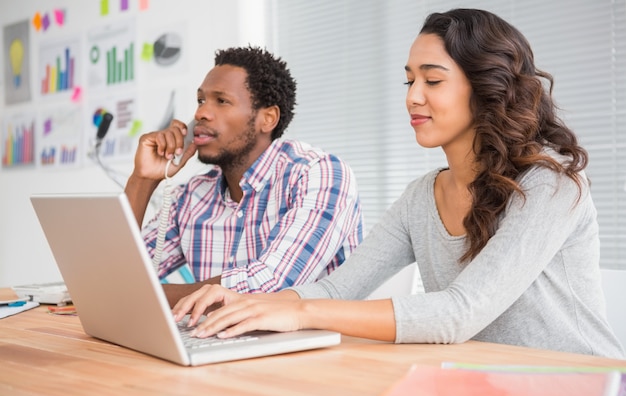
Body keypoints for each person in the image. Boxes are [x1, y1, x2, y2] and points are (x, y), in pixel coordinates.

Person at [171, 9, 625, 359]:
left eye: (432, 80)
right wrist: (250, 301)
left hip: (580, 385)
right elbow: (335, 289)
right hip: (485, 384)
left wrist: (299, 311)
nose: (412, 96)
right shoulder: (421, 198)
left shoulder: (551, 183)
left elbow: (458, 313)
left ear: (488, 87)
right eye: (410, 80)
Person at [125, 46, 364, 307]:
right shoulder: (191, 195)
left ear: (268, 119)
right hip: (219, 341)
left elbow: (269, 287)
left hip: (317, 344)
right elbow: (114, 275)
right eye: (201, 100)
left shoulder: (318, 174)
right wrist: (144, 179)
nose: (200, 113)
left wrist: (140, 295)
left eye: (222, 101)